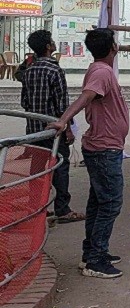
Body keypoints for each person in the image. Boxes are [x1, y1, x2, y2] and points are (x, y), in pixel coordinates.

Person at [47, 28, 130, 279]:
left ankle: (92, 253)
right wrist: (63, 121)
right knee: (111, 203)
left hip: (105, 147)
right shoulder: (102, 71)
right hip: (104, 149)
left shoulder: (100, 70)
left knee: (98, 201)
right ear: (113, 47)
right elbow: (85, 97)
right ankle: (95, 260)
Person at [19, 30, 84, 224]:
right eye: (52, 41)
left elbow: (24, 102)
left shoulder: (29, 71)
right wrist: (68, 129)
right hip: (54, 131)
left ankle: (36, 208)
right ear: (48, 46)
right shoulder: (55, 70)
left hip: (33, 130)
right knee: (60, 168)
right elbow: (62, 105)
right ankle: (63, 209)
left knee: (37, 170)